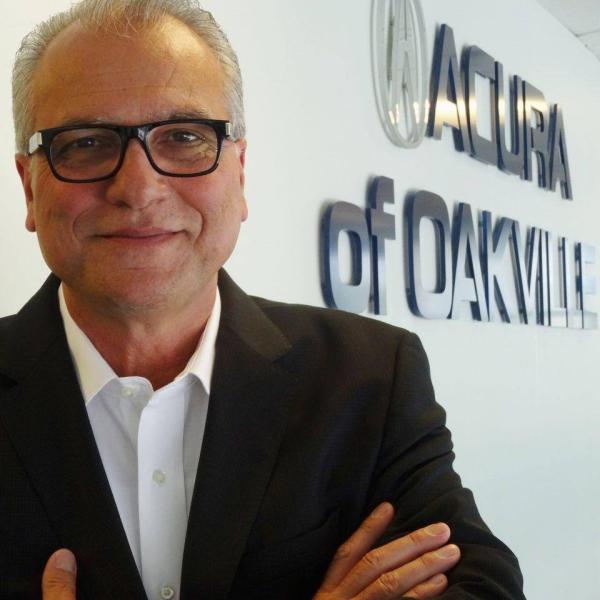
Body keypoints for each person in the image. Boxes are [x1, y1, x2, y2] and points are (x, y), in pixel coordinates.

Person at [0, 1, 525, 598]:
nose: (139, 189)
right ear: (29, 187)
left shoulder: (371, 376)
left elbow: (480, 583)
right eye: (85, 143)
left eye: (184, 137)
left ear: (240, 171)